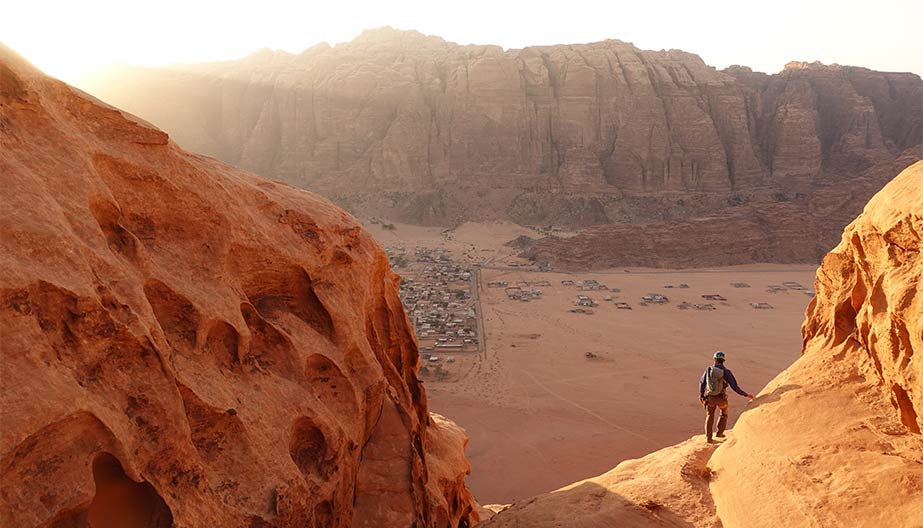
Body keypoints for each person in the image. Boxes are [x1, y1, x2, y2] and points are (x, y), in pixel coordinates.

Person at [699, 351, 754, 443]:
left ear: (714, 360)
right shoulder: (726, 372)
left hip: (710, 398)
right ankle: (719, 433)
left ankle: (709, 438)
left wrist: (701, 396)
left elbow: (702, 383)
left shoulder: (708, 370)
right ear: (723, 360)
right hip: (721, 399)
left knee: (710, 415)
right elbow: (734, 386)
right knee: (724, 413)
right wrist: (746, 394)